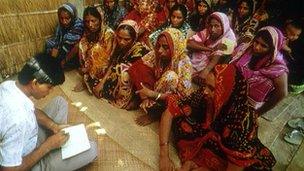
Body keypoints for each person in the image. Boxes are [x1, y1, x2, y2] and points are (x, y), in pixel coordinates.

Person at [0, 53, 97, 171]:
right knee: (92, 149)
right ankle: (52, 154)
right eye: (49, 87)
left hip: (27, 140)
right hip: (21, 163)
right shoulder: (18, 119)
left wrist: (54, 126)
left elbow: (32, 110)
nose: (50, 91)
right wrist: (48, 146)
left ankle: (57, 147)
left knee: (59, 102)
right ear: (35, 83)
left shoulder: (8, 85)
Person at [128, 28, 193, 126]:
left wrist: (152, 94)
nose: (160, 50)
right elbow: (137, 68)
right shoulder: (157, 53)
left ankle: (154, 112)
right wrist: (145, 95)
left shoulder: (184, 63)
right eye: (159, 45)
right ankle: (144, 100)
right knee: (141, 68)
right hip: (154, 87)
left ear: (175, 47)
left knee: (171, 77)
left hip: (167, 98)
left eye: (166, 47)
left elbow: (183, 96)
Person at [94, 20, 150, 109]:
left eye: (126, 39)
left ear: (134, 38)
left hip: (137, 85)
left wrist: (137, 99)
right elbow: (113, 63)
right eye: (119, 38)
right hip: (121, 78)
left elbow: (139, 77)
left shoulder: (140, 50)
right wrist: (102, 82)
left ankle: (129, 100)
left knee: (124, 72)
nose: (122, 42)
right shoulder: (118, 45)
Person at [231, 26, 288, 113]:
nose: (257, 47)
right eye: (256, 42)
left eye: (263, 46)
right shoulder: (245, 49)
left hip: (248, 106)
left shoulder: (277, 67)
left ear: (272, 49)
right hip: (231, 93)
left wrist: (259, 113)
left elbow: (282, 93)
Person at [74, 6, 116, 93]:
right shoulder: (89, 32)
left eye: (93, 21)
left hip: (107, 65)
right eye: (87, 21)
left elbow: (108, 57)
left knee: (96, 49)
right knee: (82, 43)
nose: (90, 25)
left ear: (100, 20)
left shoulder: (108, 33)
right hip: (91, 64)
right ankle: (87, 74)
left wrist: (89, 69)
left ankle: (90, 78)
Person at [187, 12, 236, 83]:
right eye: (211, 26)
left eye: (217, 26)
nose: (213, 29)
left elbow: (217, 56)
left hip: (213, 65)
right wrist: (209, 49)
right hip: (199, 59)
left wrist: (205, 72)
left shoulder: (229, 38)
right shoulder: (208, 31)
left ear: (224, 26)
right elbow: (189, 43)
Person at [45, 3, 84, 69]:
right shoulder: (60, 26)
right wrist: (52, 61)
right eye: (61, 18)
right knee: (49, 44)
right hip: (63, 49)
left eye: (67, 18)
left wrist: (64, 61)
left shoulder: (78, 25)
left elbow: (75, 46)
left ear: (72, 16)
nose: (64, 21)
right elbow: (57, 43)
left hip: (74, 52)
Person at [281, 19, 304, 94]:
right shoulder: (286, 38)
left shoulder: (297, 45)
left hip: (293, 83)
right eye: (291, 33)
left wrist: (288, 50)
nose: (294, 37)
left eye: (297, 35)